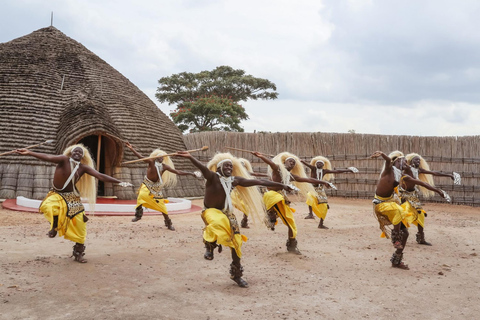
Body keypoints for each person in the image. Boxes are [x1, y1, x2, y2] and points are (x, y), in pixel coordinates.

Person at [175, 151, 293, 288]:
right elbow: (203, 168)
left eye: (231, 166)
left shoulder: (234, 180)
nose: (229, 168)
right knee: (218, 223)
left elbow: (258, 181)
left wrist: (283, 186)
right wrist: (190, 157)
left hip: (227, 213)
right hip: (211, 211)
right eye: (226, 166)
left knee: (237, 243)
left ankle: (236, 274)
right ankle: (210, 245)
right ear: (219, 167)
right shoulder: (212, 177)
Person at [15, 144, 132, 263]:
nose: (77, 153)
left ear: (82, 156)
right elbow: (48, 157)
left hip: (72, 197)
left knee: (80, 225)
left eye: (80, 152)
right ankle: (55, 226)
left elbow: (100, 175)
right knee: (48, 206)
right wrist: (30, 153)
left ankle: (78, 252)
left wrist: (120, 182)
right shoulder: (63, 160)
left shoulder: (83, 168)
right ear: (71, 152)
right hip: (56, 194)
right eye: (75, 151)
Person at [252, 151, 333, 255]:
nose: (292, 163)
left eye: (294, 163)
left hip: (281, 198)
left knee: (291, 224)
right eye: (290, 161)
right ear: (284, 163)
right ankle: (270, 213)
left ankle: (291, 244)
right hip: (271, 195)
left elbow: (307, 179)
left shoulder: (290, 176)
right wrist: (261, 156)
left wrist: (324, 182)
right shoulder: (277, 169)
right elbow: (271, 163)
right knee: (277, 199)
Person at [126, 142, 197, 231]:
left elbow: (178, 172)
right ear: (156, 157)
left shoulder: (164, 166)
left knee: (162, 206)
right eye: (160, 157)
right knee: (141, 196)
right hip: (147, 184)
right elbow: (140, 157)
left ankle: (168, 223)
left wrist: (191, 173)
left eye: (162, 157)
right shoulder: (151, 162)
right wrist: (131, 148)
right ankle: (138, 215)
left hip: (156, 188)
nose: (161, 159)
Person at [398, 162, 451, 245]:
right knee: (403, 215)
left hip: (413, 196)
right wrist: (438, 191)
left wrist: (448, 175)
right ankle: (398, 236)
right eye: (416, 160)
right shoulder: (405, 176)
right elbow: (423, 184)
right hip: (404, 197)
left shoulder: (417, 170)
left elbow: (434, 173)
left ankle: (421, 238)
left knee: (421, 215)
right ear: (410, 162)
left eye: (419, 160)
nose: (418, 162)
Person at [301, 156, 358, 228]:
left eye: (320, 163)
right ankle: (310, 214)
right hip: (312, 188)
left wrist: (348, 170)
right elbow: (308, 165)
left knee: (324, 207)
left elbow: (337, 171)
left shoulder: (324, 171)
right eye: (317, 163)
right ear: (315, 164)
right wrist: (302, 161)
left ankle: (321, 224)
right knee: (310, 198)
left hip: (320, 189)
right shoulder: (313, 169)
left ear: (323, 165)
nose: (318, 164)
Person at [233, 157, 269, 229]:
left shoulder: (246, 172)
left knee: (246, 207)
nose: (242, 166)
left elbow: (255, 174)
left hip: (244, 192)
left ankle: (244, 221)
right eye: (240, 165)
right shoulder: (233, 172)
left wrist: (267, 175)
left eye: (243, 165)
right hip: (235, 192)